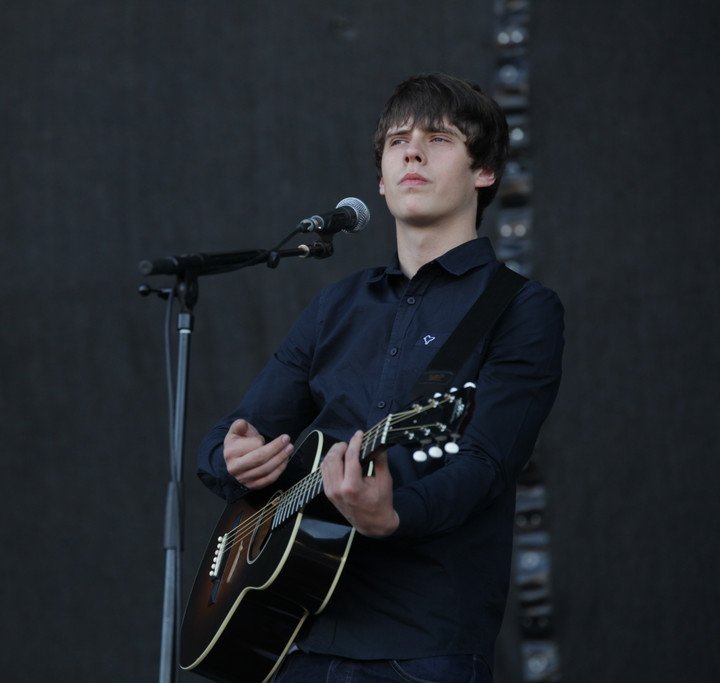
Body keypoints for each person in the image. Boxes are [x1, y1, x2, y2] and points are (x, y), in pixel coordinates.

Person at [195, 73, 564, 682]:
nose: (412, 152)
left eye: (438, 139)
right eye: (398, 141)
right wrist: (231, 458)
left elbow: (485, 465)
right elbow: (235, 434)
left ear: (485, 171)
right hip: (297, 638)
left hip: (421, 646)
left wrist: (394, 514)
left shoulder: (520, 309)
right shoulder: (337, 306)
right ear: (380, 181)